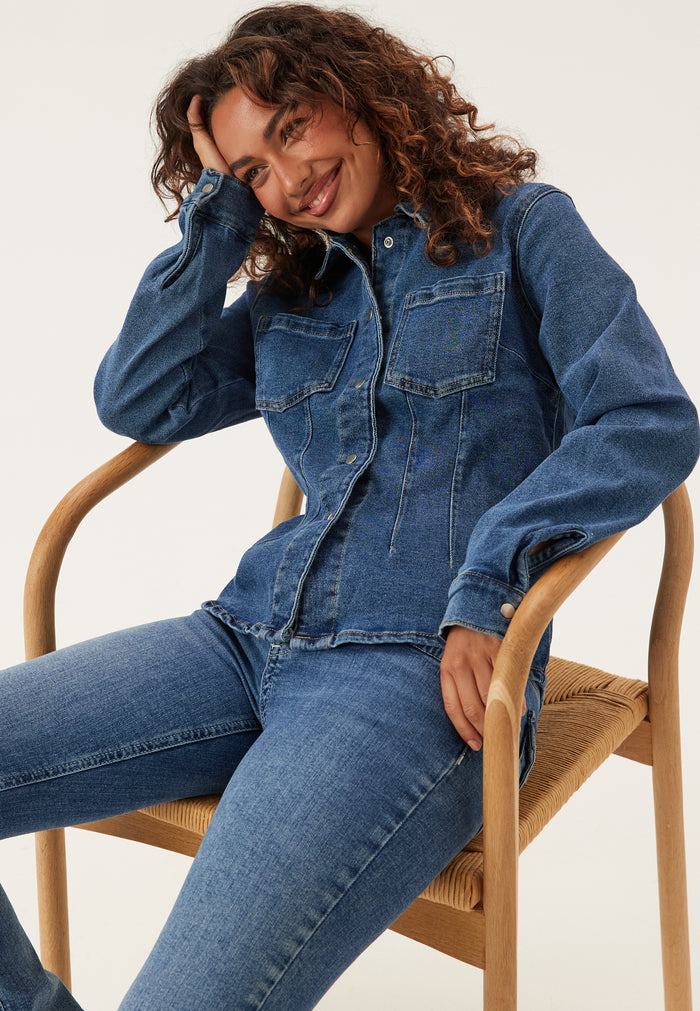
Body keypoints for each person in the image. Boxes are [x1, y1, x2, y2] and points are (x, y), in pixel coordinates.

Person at [1, 4, 697, 1009]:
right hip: (239, 638)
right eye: (252, 170)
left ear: (360, 93)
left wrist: (493, 582)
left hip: (413, 677)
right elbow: (141, 397)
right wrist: (219, 215)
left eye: (292, 129)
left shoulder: (521, 230)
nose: (288, 179)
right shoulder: (297, 291)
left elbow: (646, 418)